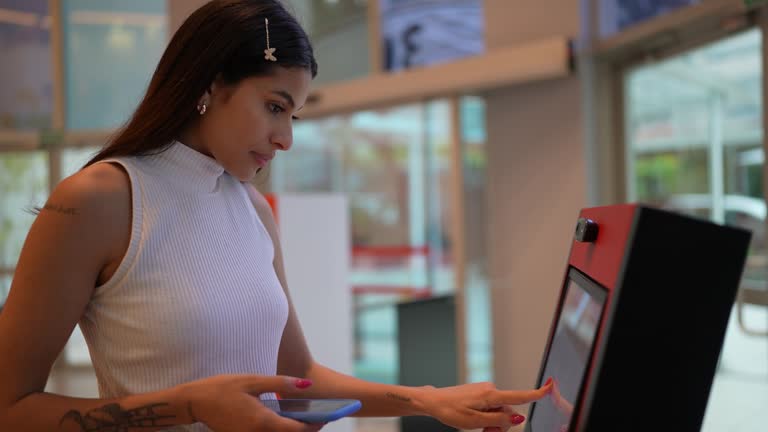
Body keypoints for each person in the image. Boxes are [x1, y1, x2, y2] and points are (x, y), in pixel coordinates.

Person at [0, 1, 552, 431]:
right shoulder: (98, 200)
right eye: (274, 106)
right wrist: (188, 404)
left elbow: (296, 380)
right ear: (211, 86)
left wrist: (426, 400)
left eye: (294, 114)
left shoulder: (253, 209)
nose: (286, 138)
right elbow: (10, 408)